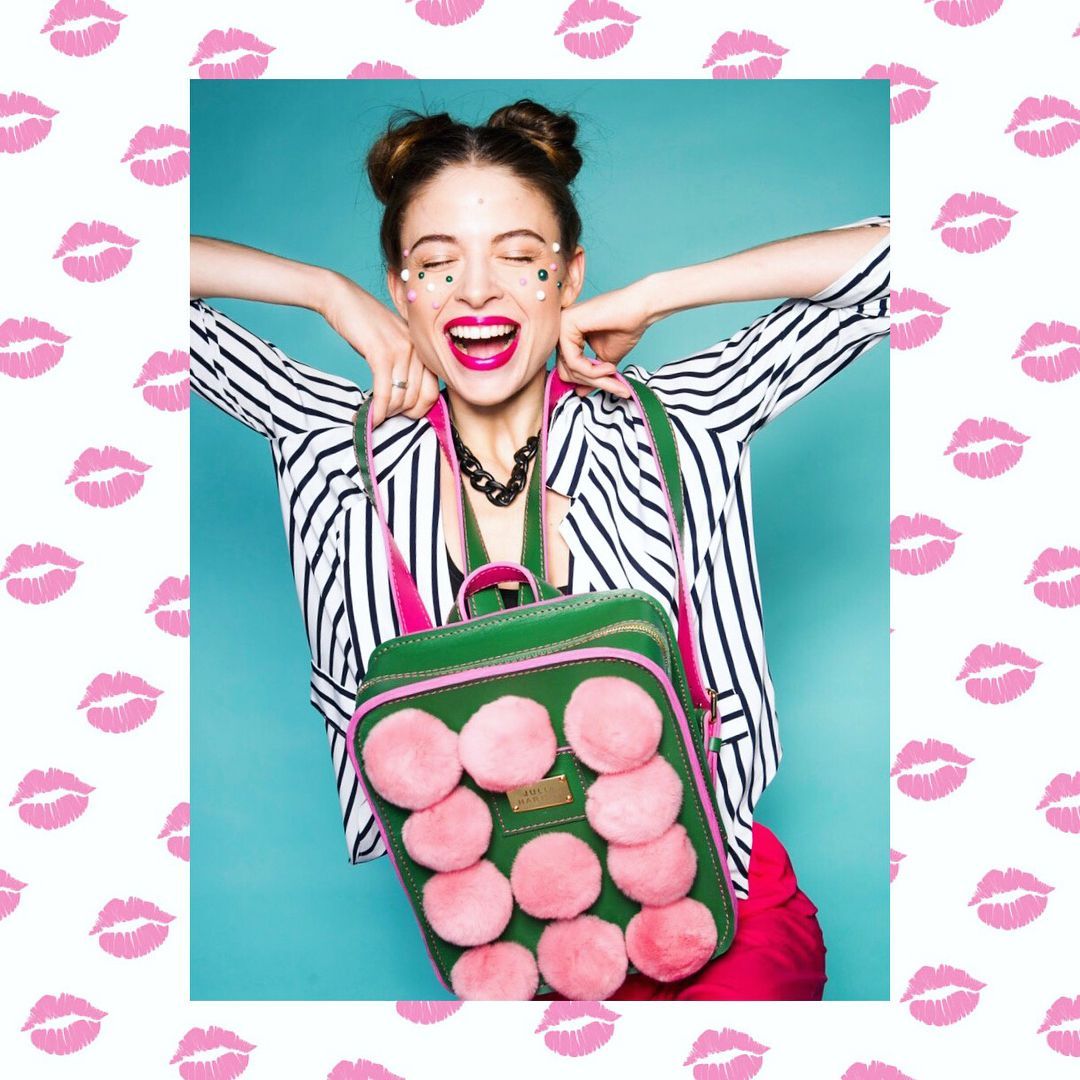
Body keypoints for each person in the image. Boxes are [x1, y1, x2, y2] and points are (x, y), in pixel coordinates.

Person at [189, 98, 890, 1000]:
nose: (477, 290)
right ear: (400, 289)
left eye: (520, 259)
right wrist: (323, 290)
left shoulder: (680, 419)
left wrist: (653, 296)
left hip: (723, 916)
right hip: (512, 953)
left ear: (567, 278)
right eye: (436, 266)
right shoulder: (332, 439)